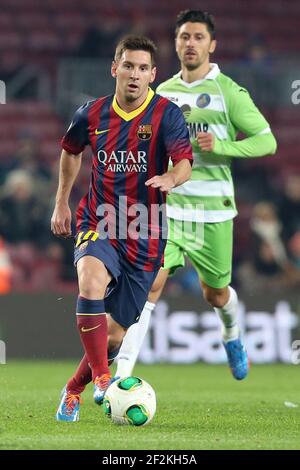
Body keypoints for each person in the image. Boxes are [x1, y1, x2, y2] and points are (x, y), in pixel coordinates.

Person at [115, 10, 277, 380]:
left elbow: (267, 141)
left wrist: (223, 147)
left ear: (212, 45)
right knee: (150, 286)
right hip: (169, 210)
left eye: (199, 37)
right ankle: (120, 376)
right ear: (175, 43)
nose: (191, 43)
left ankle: (232, 333)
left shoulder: (229, 92)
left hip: (212, 214)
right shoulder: (164, 93)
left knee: (215, 294)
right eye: (184, 37)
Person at [51, 35, 193, 422]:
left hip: (146, 230)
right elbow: (70, 150)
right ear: (115, 68)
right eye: (128, 66)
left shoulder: (167, 114)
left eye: (143, 68)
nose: (135, 74)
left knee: (114, 335)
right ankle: (102, 379)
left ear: (152, 75)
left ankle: (74, 388)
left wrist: (171, 179)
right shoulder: (91, 114)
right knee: (90, 280)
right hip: (100, 218)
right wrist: (62, 200)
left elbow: (184, 161)